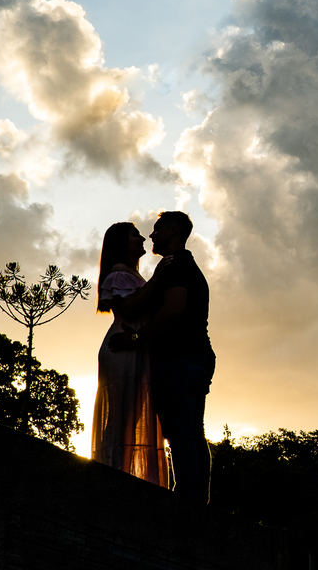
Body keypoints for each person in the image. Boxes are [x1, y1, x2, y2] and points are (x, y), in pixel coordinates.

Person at [110, 211, 215, 503]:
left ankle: (187, 502)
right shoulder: (174, 267)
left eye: (157, 230)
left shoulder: (177, 265)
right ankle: (197, 500)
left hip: (180, 359)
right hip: (193, 357)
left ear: (172, 230)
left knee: (181, 433)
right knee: (192, 432)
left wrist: (135, 339)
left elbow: (174, 309)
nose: (151, 235)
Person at [90, 222, 171, 486]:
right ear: (122, 243)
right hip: (123, 347)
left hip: (136, 347)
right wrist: (158, 280)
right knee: (121, 414)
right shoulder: (117, 274)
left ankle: (124, 475)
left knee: (132, 416)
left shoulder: (132, 275)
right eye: (135, 234)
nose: (142, 238)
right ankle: (111, 475)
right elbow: (131, 309)